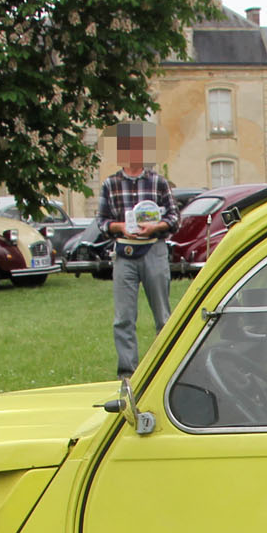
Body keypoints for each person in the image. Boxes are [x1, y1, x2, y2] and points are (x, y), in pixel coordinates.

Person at [97, 123, 177, 378]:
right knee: (123, 318)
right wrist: (121, 227)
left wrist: (156, 226)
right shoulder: (110, 184)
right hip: (124, 254)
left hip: (154, 250)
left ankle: (165, 368)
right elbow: (102, 222)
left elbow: (175, 218)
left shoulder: (158, 182)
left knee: (164, 316)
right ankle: (127, 372)